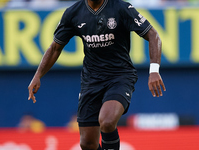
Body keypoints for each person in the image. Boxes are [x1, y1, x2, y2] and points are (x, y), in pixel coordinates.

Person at [28, 0, 166, 149]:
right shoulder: (73, 13)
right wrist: (38, 75)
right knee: (87, 143)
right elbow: (55, 48)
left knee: (107, 121)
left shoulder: (122, 8)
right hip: (91, 80)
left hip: (119, 76)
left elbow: (153, 34)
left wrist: (154, 71)